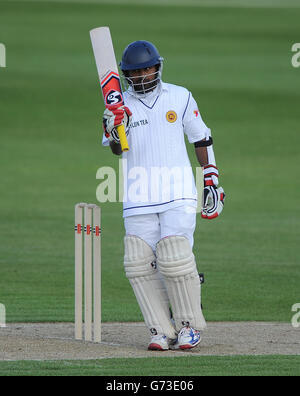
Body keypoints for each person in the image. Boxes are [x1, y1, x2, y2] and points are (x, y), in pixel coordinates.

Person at [102, 40, 225, 351]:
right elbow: (117, 150)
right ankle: (160, 329)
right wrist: (117, 128)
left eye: (148, 68)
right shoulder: (118, 107)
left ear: (158, 67)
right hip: (136, 194)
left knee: (174, 257)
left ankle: (187, 326)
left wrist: (211, 179)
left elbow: (202, 137)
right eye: (136, 71)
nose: (143, 75)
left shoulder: (179, 96)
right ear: (126, 74)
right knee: (139, 263)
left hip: (178, 190)